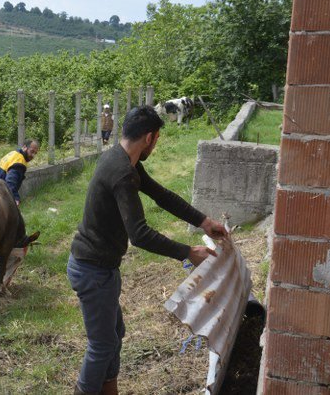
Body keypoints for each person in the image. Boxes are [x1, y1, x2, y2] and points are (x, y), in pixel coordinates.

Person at [67, 105, 227, 395]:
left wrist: (203, 222)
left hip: (100, 266)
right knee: (102, 345)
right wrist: (187, 252)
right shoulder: (122, 174)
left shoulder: (122, 160)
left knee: (115, 335)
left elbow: (161, 195)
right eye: (157, 139)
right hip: (92, 269)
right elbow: (139, 234)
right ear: (150, 138)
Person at [0, 139, 40, 206]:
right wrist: (15, 198)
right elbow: (11, 181)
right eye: (32, 151)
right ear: (24, 147)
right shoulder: (19, 162)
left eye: (35, 153)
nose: (33, 155)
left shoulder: (14, 153)